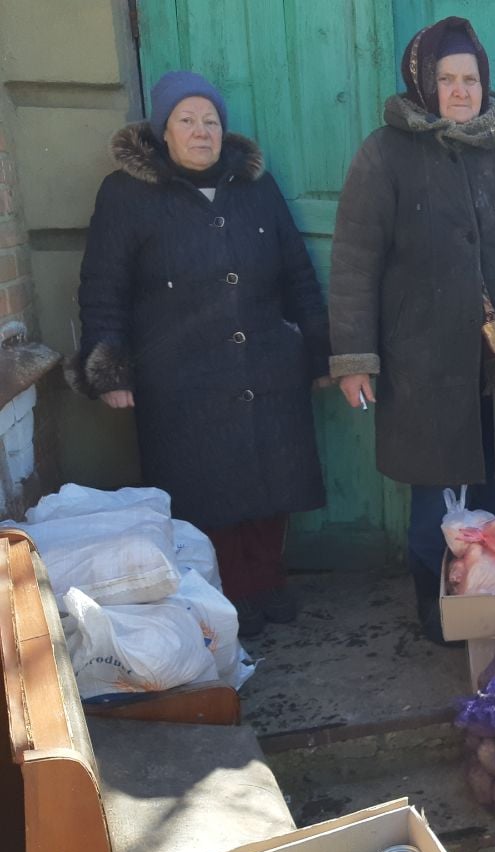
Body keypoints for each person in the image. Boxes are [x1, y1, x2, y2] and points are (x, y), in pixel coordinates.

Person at [327, 17, 495, 641]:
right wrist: (354, 358)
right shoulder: (386, 153)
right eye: (446, 79)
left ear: (484, 83)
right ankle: (438, 603)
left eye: (469, 79)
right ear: (425, 83)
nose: (459, 90)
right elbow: (355, 260)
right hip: (424, 361)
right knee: (434, 508)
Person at [74, 70, 329, 638]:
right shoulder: (126, 194)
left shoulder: (255, 186)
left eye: (210, 121)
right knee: (204, 486)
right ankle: (224, 591)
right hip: (179, 371)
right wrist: (109, 366)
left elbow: (296, 272)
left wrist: (316, 350)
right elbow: (102, 285)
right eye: (186, 121)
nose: (201, 132)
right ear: (163, 132)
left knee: (271, 478)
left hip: (266, 360)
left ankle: (266, 581)